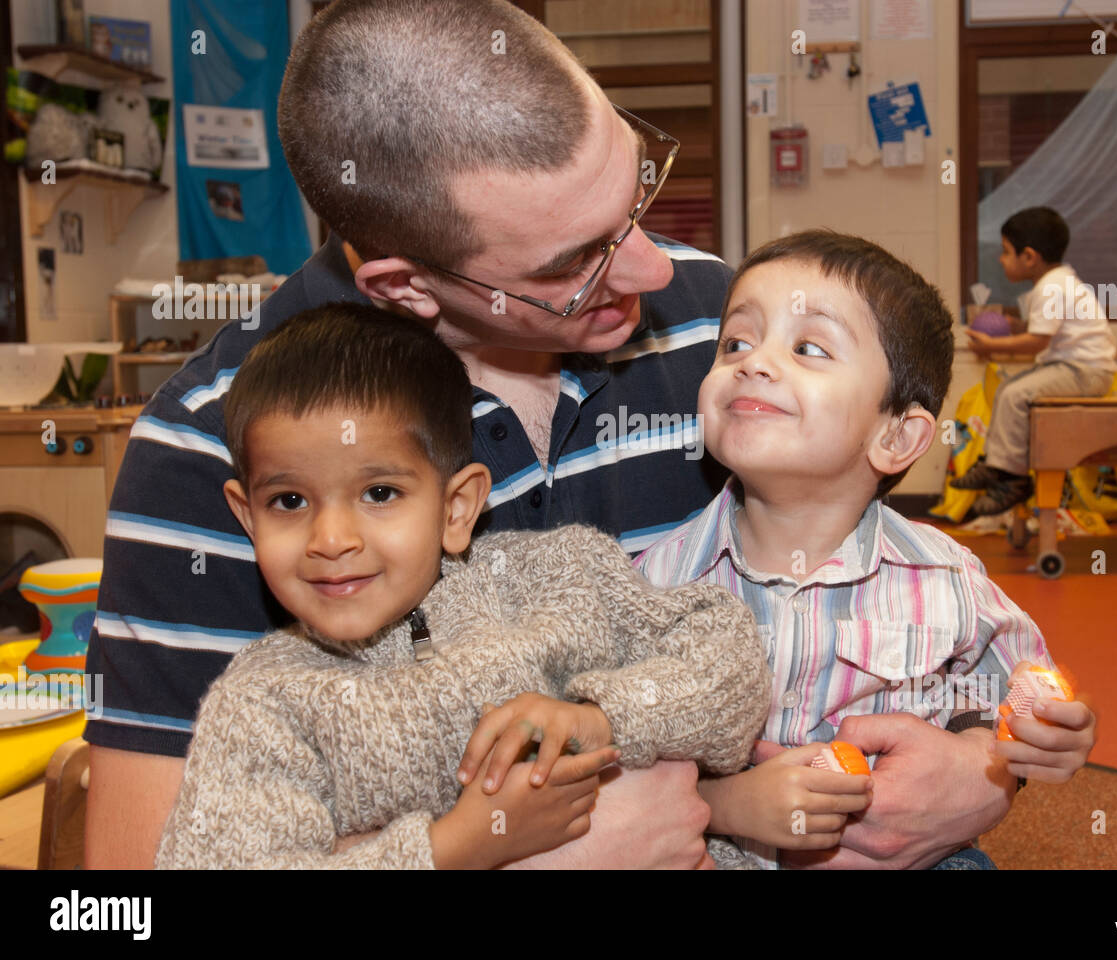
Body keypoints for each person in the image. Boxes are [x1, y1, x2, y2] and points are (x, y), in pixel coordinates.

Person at [85, 0, 1030, 870]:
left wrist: (983, 773)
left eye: (638, 193)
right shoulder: (214, 446)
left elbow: (909, 608)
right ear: (408, 287)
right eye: (578, 263)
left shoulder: (733, 342)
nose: (656, 269)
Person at [155, 304, 769, 868]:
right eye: (289, 500)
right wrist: (459, 847)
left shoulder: (557, 577)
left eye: (379, 493)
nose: (332, 538)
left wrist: (604, 717)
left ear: (456, 509)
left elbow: (730, 661)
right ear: (247, 516)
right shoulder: (265, 705)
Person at [635, 231, 1098, 869]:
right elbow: (622, 749)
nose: (753, 362)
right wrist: (726, 801)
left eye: (808, 347)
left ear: (897, 437)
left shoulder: (945, 576)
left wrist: (1048, 734)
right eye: (735, 343)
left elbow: (1016, 693)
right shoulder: (656, 580)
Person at [960, 207, 1117, 516]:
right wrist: (1014, 326)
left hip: (1085, 373)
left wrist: (994, 344)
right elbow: (1040, 331)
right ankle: (998, 466)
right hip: (1074, 369)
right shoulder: (1057, 283)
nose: (1000, 260)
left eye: (1006, 252)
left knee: (1016, 394)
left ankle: (1013, 479)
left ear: (1029, 257)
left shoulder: (1051, 288)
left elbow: (1038, 341)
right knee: (1007, 390)